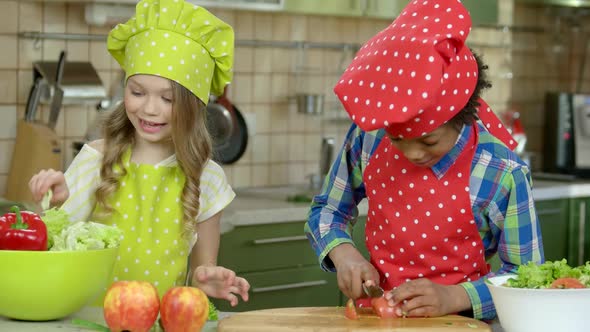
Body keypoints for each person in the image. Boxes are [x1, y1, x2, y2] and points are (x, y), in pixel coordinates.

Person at [304, 0, 544, 321]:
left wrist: (453, 296)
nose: (412, 153)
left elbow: (527, 277)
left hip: (461, 324)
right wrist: (344, 254)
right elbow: (327, 210)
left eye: (428, 140)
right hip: (375, 320)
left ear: (462, 116)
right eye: (397, 139)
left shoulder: (501, 171)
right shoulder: (368, 138)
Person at [28, 0, 250, 307]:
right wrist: (58, 200)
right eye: (137, 92)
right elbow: (54, 244)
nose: (149, 108)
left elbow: (201, 269)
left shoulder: (207, 177)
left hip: (163, 323)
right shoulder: (97, 158)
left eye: (167, 98)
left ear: (192, 106)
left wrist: (206, 277)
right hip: (93, 322)